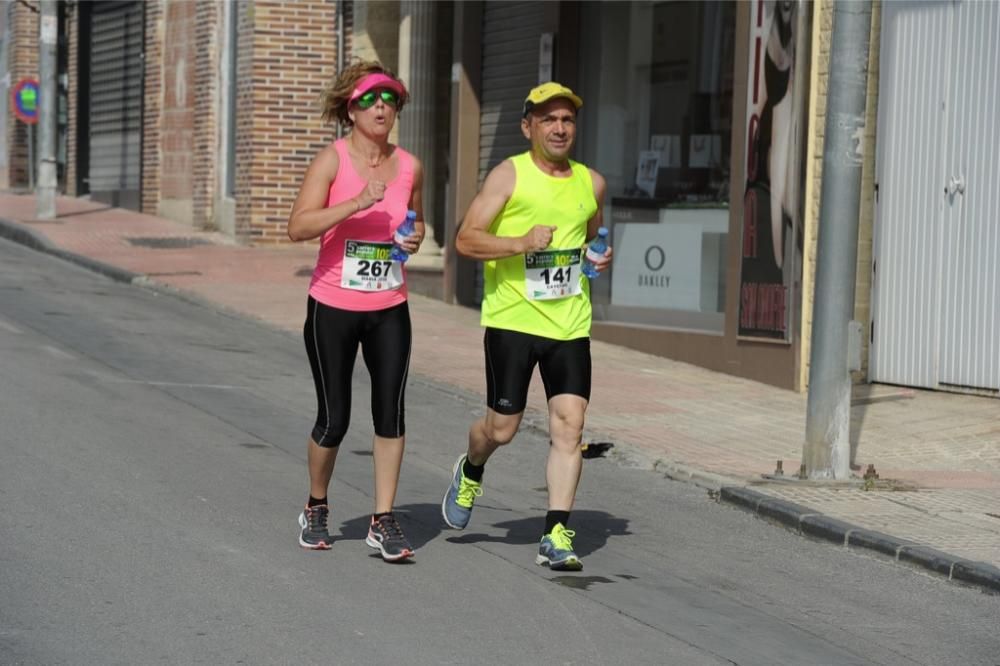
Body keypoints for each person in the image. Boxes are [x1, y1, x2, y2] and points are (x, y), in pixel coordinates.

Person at [441, 82, 612, 571]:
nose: (559, 128)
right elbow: (467, 240)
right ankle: (471, 468)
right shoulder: (508, 176)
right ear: (528, 127)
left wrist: (597, 257)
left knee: (569, 426)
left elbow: (592, 236)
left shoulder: (591, 182)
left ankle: (556, 532)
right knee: (502, 427)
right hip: (513, 320)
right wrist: (520, 242)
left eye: (568, 120)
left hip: (570, 324)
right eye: (548, 120)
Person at [287, 61, 424, 562]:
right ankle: (316, 504)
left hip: (390, 305)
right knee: (335, 418)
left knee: (391, 412)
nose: (382, 107)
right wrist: (355, 204)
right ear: (352, 108)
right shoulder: (332, 161)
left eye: (390, 99)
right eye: (371, 98)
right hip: (333, 304)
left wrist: (415, 236)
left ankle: (383, 519)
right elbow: (298, 227)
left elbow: (416, 222)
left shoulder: (410, 166)